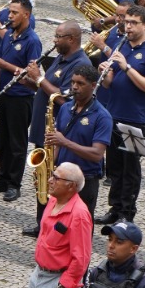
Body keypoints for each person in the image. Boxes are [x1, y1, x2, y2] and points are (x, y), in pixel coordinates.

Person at [95, 7, 145, 225]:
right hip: (113, 114)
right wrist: (105, 74)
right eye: (127, 22)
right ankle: (115, 208)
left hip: (135, 119)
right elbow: (111, 83)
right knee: (114, 166)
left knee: (130, 168)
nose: (128, 27)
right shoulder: (122, 45)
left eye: (134, 23)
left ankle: (127, 211)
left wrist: (127, 67)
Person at [0, 0, 42, 201]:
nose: (9, 16)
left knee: (17, 143)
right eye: (9, 12)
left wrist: (5, 66)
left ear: (26, 15)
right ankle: (2, 178)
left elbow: (32, 74)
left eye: (14, 13)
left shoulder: (32, 41)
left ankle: (14, 184)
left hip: (21, 97)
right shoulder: (9, 34)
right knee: (4, 139)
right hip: (4, 94)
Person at [42, 62, 111, 226]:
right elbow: (58, 142)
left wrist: (65, 142)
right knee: (55, 224)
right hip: (61, 178)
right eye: (73, 82)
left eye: (80, 83)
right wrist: (49, 168)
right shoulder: (65, 108)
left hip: (85, 181)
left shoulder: (102, 116)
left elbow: (97, 154)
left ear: (93, 85)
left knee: (79, 227)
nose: (74, 87)